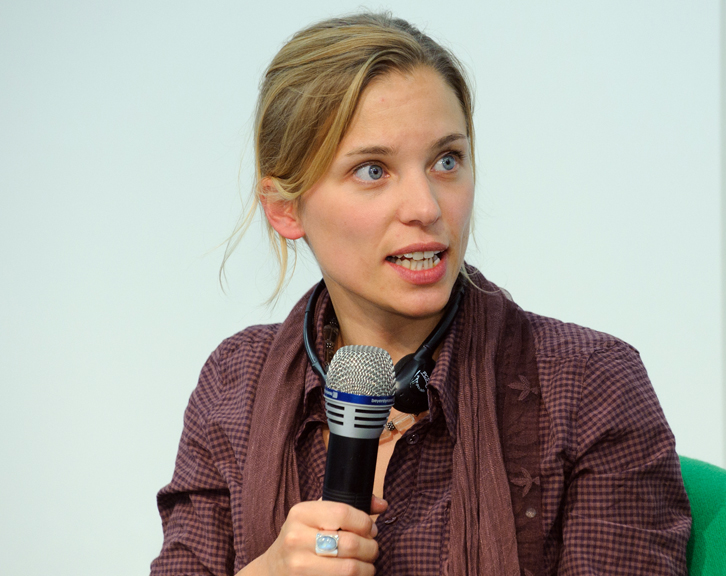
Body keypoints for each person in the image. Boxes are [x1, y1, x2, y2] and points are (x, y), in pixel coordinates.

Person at [151, 12, 690, 576]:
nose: (428, 207)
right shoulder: (235, 384)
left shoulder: (590, 382)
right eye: (373, 170)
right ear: (285, 208)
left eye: (446, 161)